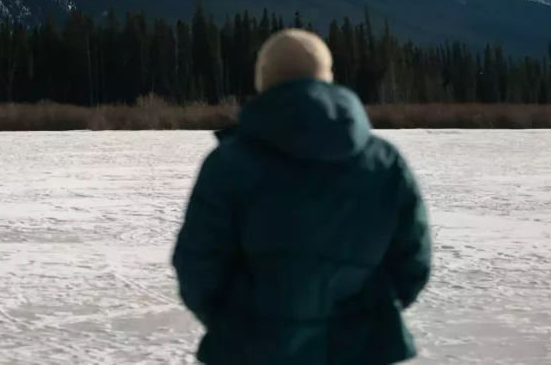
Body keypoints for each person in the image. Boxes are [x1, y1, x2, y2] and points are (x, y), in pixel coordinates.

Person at [172, 28, 431, 364]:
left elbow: (198, 265)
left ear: (263, 80)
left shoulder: (228, 165)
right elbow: (413, 259)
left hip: (250, 351)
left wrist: (234, 322)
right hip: (362, 350)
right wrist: (370, 315)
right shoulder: (384, 163)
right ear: (328, 78)